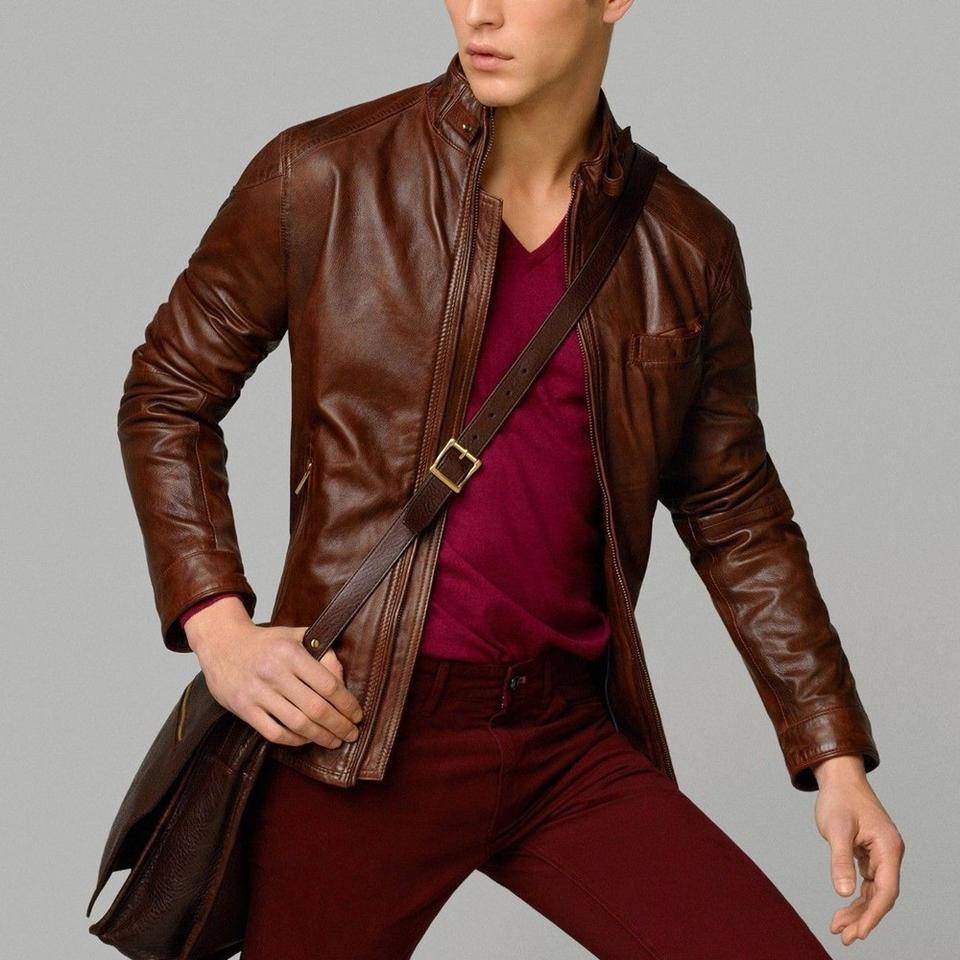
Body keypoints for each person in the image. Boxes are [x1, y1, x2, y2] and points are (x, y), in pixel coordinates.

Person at [117, 2, 904, 957]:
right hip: (358, 730)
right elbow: (167, 393)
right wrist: (220, 630)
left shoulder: (683, 245)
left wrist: (835, 755)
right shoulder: (327, 174)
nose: (481, 13)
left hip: (564, 736)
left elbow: (735, 510)